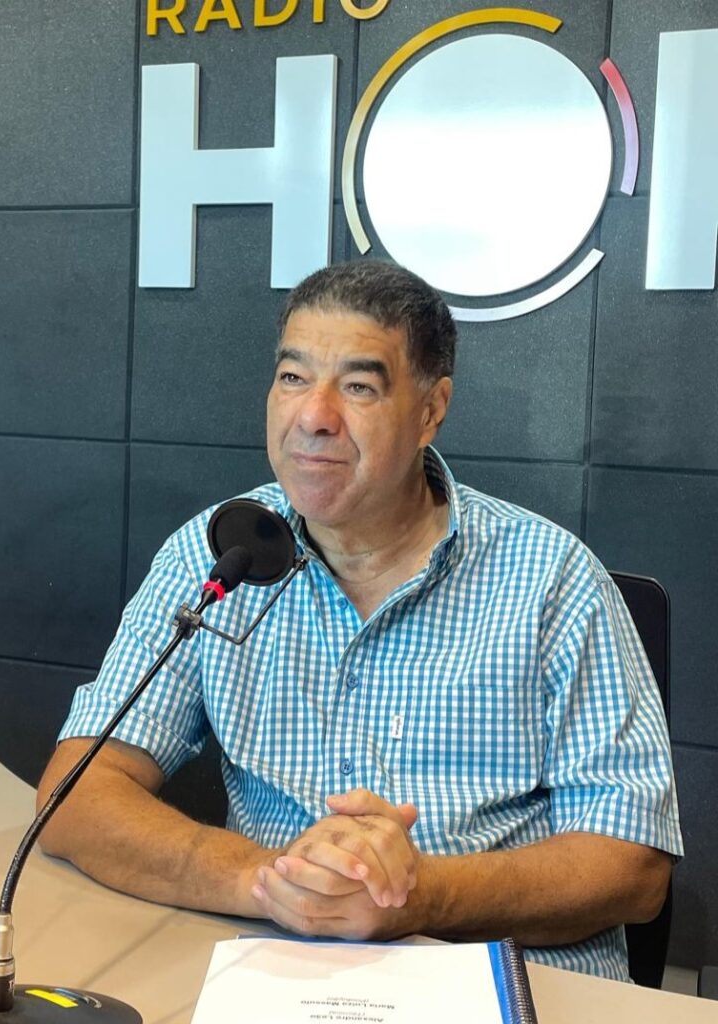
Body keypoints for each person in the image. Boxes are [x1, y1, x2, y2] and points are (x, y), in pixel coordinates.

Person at [38, 261, 682, 982]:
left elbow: (634, 867)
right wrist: (274, 883)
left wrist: (420, 896)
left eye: (358, 387)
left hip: (504, 977)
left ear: (431, 410)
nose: (314, 416)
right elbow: (75, 795)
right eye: (293, 377)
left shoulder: (552, 579)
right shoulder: (218, 555)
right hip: (278, 970)